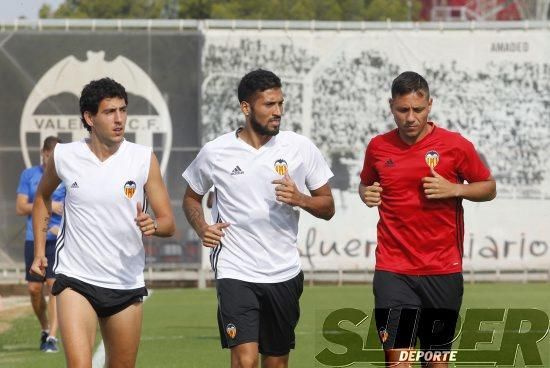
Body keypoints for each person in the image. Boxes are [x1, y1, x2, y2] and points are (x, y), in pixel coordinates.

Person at [182, 69, 335, 368]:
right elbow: (190, 197)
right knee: (245, 360)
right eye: (269, 105)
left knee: (276, 363)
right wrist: (202, 227)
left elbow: (327, 206)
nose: (277, 112)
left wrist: (300, 199)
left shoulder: (300, 147)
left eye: (280, 104)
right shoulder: (216, 152)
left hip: (284, 272)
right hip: (235, 269)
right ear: (246, 107)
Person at [30, 77, 175, 367]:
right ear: (89, 117)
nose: (119, 119)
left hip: (125, 281)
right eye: (110, 112)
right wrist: (38, 253)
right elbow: (42, 198)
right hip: (75, 279)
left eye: (123, 110)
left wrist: (154, 226)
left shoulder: (143, 158)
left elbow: (169, 221)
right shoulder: (65, 155)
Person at [359, 71, 496, 368]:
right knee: (398, 362)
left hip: (442, 269)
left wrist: (455, 188)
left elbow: (488, 187)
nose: (410, 117)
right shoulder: (378, 147)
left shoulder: (455, 145)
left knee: (435, 362)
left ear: (430, 105)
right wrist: (366, 194)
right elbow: (366, 184)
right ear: (391, 106)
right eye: (402, 109)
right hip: (393, 269)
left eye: (417, 110)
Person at [16, 136, 65, 353]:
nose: (52, 160)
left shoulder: (66, 175)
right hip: (34, 238)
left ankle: (53, 337)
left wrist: (62, 227)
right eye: (49, 156)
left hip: (57, 239)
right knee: (34, 289)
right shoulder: (29, 175)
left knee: (53, 286)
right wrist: (49, 204)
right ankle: (45, 329)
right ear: (43, 153)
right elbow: (20, 207)